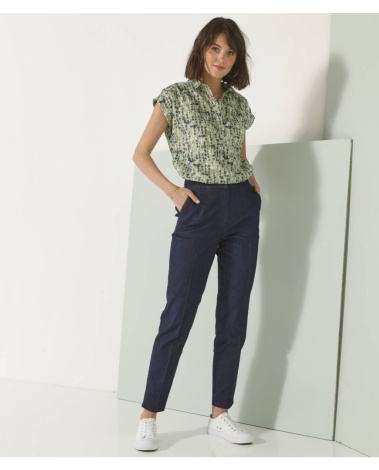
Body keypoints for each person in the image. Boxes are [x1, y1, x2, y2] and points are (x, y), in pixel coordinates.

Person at [132, 17, 261, 452]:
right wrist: (174, 192)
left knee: (234, 316)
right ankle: (149, 416)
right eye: (215, 48)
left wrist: (251, 182)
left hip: (241, 210)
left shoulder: (239, 105)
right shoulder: (175, 96)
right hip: (198, 207)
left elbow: (239, 154)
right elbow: (141, 153)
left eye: (230, 51)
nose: (222, 58)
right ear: (202, 49)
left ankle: (220, 415)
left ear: (237, 59)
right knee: (178, 314)